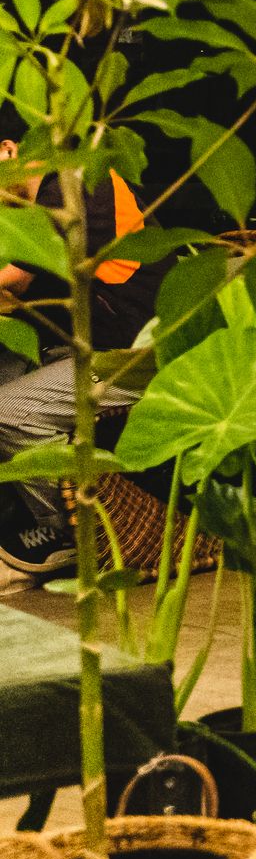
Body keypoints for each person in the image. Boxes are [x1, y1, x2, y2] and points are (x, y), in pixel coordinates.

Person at [0, 137, 165, 578]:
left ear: (8, 151)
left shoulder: (74, 189)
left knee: (6, 411)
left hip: (136, 356)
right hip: (91, 345)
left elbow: (9, 285)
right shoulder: (42, 199)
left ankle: (63, 532)